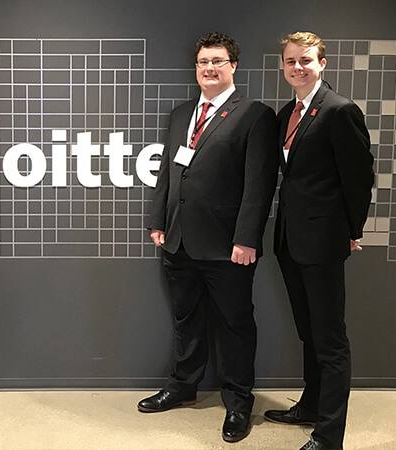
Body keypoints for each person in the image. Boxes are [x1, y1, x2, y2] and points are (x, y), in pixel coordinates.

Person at [139, 32, 278, 443]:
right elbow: (168, 171)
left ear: (233, 66)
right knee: (186, 318)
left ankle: (238, 402)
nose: (209, 68)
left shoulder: (254, 114)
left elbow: (259, 184)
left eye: (217, 61)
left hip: (228, 245)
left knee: (235, 324)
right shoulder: (182, 113)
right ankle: (184, 386)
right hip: (178, 240)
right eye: (203, 62)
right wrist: (158, 220)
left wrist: (247, 237)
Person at [264, 32, 374, 450]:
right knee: (309, 332)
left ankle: (329, 436)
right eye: (290, 61)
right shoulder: (287, 112)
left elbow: (360, 178)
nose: (297, 67)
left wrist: (351, 232)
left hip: (323, 242)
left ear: (322, 63)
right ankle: (309, 406)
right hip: (291, 240)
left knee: (330, 341)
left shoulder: (339, 110)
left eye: (305, 60)